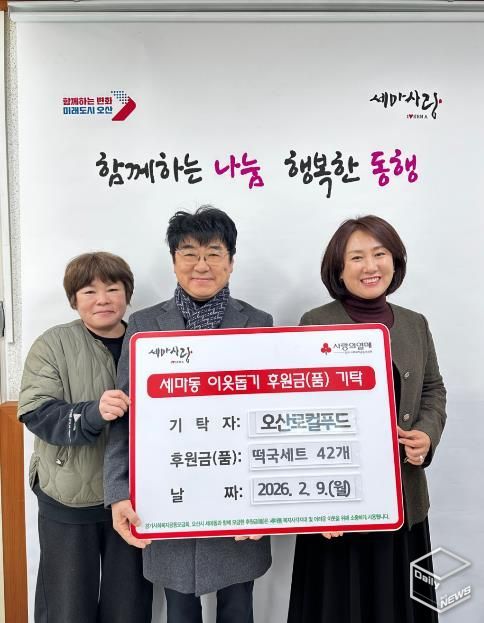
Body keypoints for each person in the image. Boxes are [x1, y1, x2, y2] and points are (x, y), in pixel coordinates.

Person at [104, 206, 272, 623]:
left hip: (238, 497)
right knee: (179, 607)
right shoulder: (144, 325)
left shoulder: (257, 322)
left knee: (238, 607)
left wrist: (268, 503)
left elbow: (270, 416)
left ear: (231, 262)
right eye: (189, 253)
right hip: (167, 493)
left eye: (214, 253)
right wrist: (119, 492)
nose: (201, 265)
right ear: (174, 261)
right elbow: (126, 418)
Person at [287, 215, 446, 623]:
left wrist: (426, 436)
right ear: (339, 269)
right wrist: (318, 504)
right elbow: (296, 410)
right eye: (356, 257)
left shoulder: (414, 323)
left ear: (395, 261)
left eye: (380, 254)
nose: (370, 266)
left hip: (403, 496)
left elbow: (432, 389)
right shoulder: (315, 323)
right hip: (337, 503)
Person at [18, 252, 153, 623]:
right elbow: (36, 412)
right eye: (89, 291)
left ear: (127, 294)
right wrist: (92, 412)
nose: (103, 299)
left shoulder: (149, 342)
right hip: (68, 495)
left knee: (129, 605)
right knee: (67, 606)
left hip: (133, 497)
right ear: (73, 299)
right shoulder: (53, 344)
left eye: (113, 289)